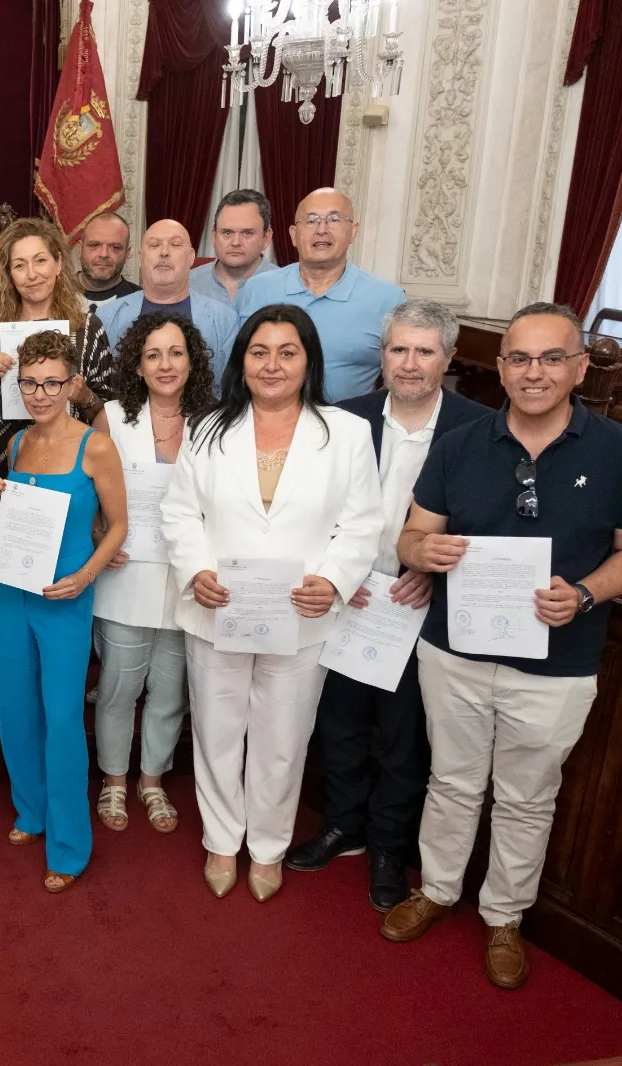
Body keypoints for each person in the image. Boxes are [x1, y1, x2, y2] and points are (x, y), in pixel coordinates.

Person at [381, 302, 622, 990]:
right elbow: (410, 538)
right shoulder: (460, 444)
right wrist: (428, 550)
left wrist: (589, 593)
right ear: (499, 368)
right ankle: (439, 891)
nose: (533, 373)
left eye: (550, 358)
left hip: (558, 665)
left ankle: (504, 916)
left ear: (579, 367)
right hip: (454, 651)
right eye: (518, 358)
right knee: (450, 782)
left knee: (528, 798)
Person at [160, 304, 383, 902]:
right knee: (216, 729)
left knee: (283, 739)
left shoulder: (347, 434)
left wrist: (334, 580)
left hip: (301, 614)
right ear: (241, 361)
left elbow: (363, 523)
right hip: (218, 607)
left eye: (288, 352)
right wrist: (196, 570)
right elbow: (180, 512)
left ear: (309, 361)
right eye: (259, 352)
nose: (273, 364)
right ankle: (222, 840)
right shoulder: (207, 428)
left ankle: (267, 847)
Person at [284, 299, 487, 911]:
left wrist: (429, 571)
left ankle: (388, 847)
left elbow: (483, 524)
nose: (410, 363)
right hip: (346, 596)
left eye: (425, 351)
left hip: (417, 602)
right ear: (382, 355)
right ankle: (345, 824)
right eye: (399, 349)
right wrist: (334, 574)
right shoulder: (341, 420)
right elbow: (310, 507)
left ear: (448, 359)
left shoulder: (479, 429)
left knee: (403, 738)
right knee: (340, 723)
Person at [0, 330, 127, 893]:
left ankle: (69, 842)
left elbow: (119, 527)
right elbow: (9, 513)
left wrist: (85, 577)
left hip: (66, 596)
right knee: (16, 708)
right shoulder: (15, 445)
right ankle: (31, 811)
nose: (39, 393)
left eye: (51, 382)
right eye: (30, 382)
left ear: (72, 384)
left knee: (63, 717)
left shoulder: (96, 446)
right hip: (14, 591)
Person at [88, 312, 216, 834]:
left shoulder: (215, 423)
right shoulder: (113, 418)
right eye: (153, 355)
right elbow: (87, 493)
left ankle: (152, 780)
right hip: (124, 575)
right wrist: (98, 537)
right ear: (136, 366)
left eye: (176, 353)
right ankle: (115, 780)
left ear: (192, 362)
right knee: (119, 686)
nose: (165, 365)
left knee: (170, 690)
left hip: (189, 581)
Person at [0, 215, 115, 471]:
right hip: (4, 472)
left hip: (73, 471)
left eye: (41, 261)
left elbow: (111, 415)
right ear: (9, 275)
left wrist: (84, 395)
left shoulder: (88, 331)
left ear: (58, 264)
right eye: (20, 266)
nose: (32, 274)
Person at [235, 188, 406, 403]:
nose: (322, 230)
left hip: (348, 428)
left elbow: (402, 376)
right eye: (311, 220)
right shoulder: (257, 289)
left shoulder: (388, 298)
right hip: (264, 421)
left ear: (353, 231)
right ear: (293, 234)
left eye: (334, 219)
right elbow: (237, 364)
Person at [96, 219, 240, 389]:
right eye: (155, 245)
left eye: (175, 244)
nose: (164, 252)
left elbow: (228, 392)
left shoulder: (224, 319)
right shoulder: (106, 316)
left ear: (191, 257)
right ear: (141, 258)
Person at [190, 189, 278, 305]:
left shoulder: (285, 287)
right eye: (227, 233)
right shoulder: (186, 285)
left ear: (266, 238)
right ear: (214, 237)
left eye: (247, 233)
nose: (236, 242)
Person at [75, 211, 140, 309]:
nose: (104, 254)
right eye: (94, 245)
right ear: (80, 249)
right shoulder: (53, 294)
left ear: (127, 253)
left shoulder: (141, 303)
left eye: (115, 247)